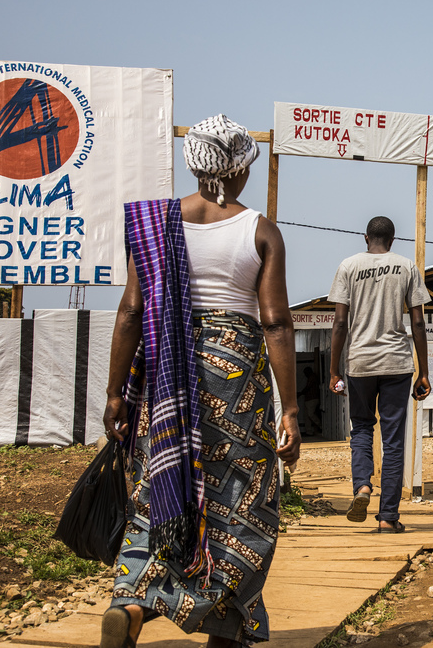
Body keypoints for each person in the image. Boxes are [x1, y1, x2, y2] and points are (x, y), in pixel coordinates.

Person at [100, 115, 300, 648]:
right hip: (236, 384)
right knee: (241, 498)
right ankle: (226, 623)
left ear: (194, 164)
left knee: (157, 485)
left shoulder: (156, 223)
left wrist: (116, 393)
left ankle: (133, 602)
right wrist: (290, 410)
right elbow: (276, 322)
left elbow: (130, 312)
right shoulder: (260, 230)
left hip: (168, 377)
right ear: (239, 170)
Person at [328, 216, 430, 533]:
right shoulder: (406, 267)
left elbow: (340, 323)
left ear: (365, 238)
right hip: (397, 364)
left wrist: (333, 370)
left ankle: (362, 487)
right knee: (393, 440)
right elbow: (417, 323)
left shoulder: (348, 266)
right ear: (393, 240)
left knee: (361, 427)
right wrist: (424, 372)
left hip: (359, 363)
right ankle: (388, 517)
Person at [298, 366, 322, 436]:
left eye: (306, 373)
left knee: (310, 414)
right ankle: (309, 431)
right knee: (306, 416)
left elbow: (308, 387)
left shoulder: (312, 377)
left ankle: (320, 425)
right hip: (308, 399)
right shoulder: (310, 377)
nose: (305, 375)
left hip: (313, 398)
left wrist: (300, 393)